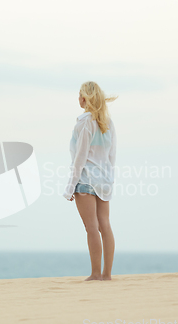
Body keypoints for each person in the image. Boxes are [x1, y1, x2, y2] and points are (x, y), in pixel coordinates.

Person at [63, 81, 118, 281]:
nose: (78, 99)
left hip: (86, 180)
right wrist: (109, 180)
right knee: (105, 225)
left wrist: (70, 188)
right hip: (104, 181)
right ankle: (107, 275)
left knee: (92, 227)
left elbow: (80, 157)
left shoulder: (84, 122)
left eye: (79, 95)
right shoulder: (108, 123)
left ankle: (96, 274)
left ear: (84, 99)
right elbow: (112, 156)